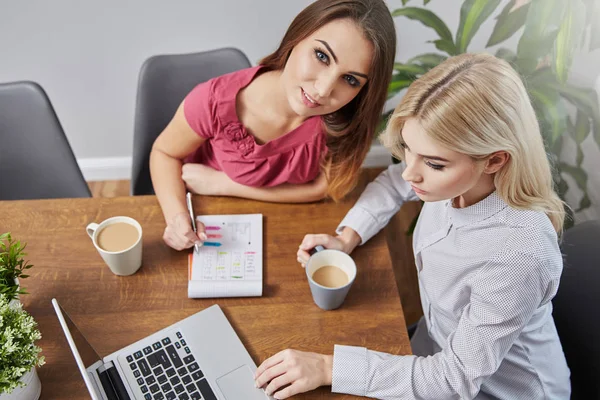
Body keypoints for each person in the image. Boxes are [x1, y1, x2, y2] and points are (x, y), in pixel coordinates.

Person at [254, 53, 571, 399]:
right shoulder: (449, 180)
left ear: (495, 159)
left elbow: (453, 380)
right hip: (430, 346)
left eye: (434, 164)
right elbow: (394, 183)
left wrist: (329, 368)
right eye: (408, 148)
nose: (409, 172)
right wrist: (346, 237)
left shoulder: (519, 254)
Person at [150, 0, 396, 251]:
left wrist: (224, 183)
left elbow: (322, 188)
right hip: (210, 218)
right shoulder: (211, 102)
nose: (323, 90)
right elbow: (164, 153)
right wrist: (177, 217)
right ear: (296, 36)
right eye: (322, 56)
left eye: (350, 79)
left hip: (283, 232)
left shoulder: (345, 121)